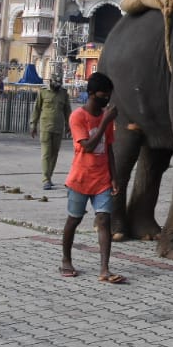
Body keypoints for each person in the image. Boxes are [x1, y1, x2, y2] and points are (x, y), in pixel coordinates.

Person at [59, 71, 123, 283]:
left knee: (104, 220)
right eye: (104, 95)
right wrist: (105, 122)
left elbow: (109, 148)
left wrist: (114, 176)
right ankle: (66, 259)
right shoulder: (78, 116)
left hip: (102, 178)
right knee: (74, 219)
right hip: (80, 178)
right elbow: (87, 146)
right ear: (93, 94)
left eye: (109, 94)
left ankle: (104, 269)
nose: (107, 99)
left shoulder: (105, 115)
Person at [30, 72, 73, 190]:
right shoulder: (43, 92)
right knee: (46, 153)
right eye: (56, 83)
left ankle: (49, 177)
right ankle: (45, 179)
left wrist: (69, 126)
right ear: (50, 82)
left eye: (59, 83)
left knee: (54, 154)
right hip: (45, 127)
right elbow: (37, 109)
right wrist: (33, 124)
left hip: (58, 128)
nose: (57, 85)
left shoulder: (64, 94)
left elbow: (67, 111)